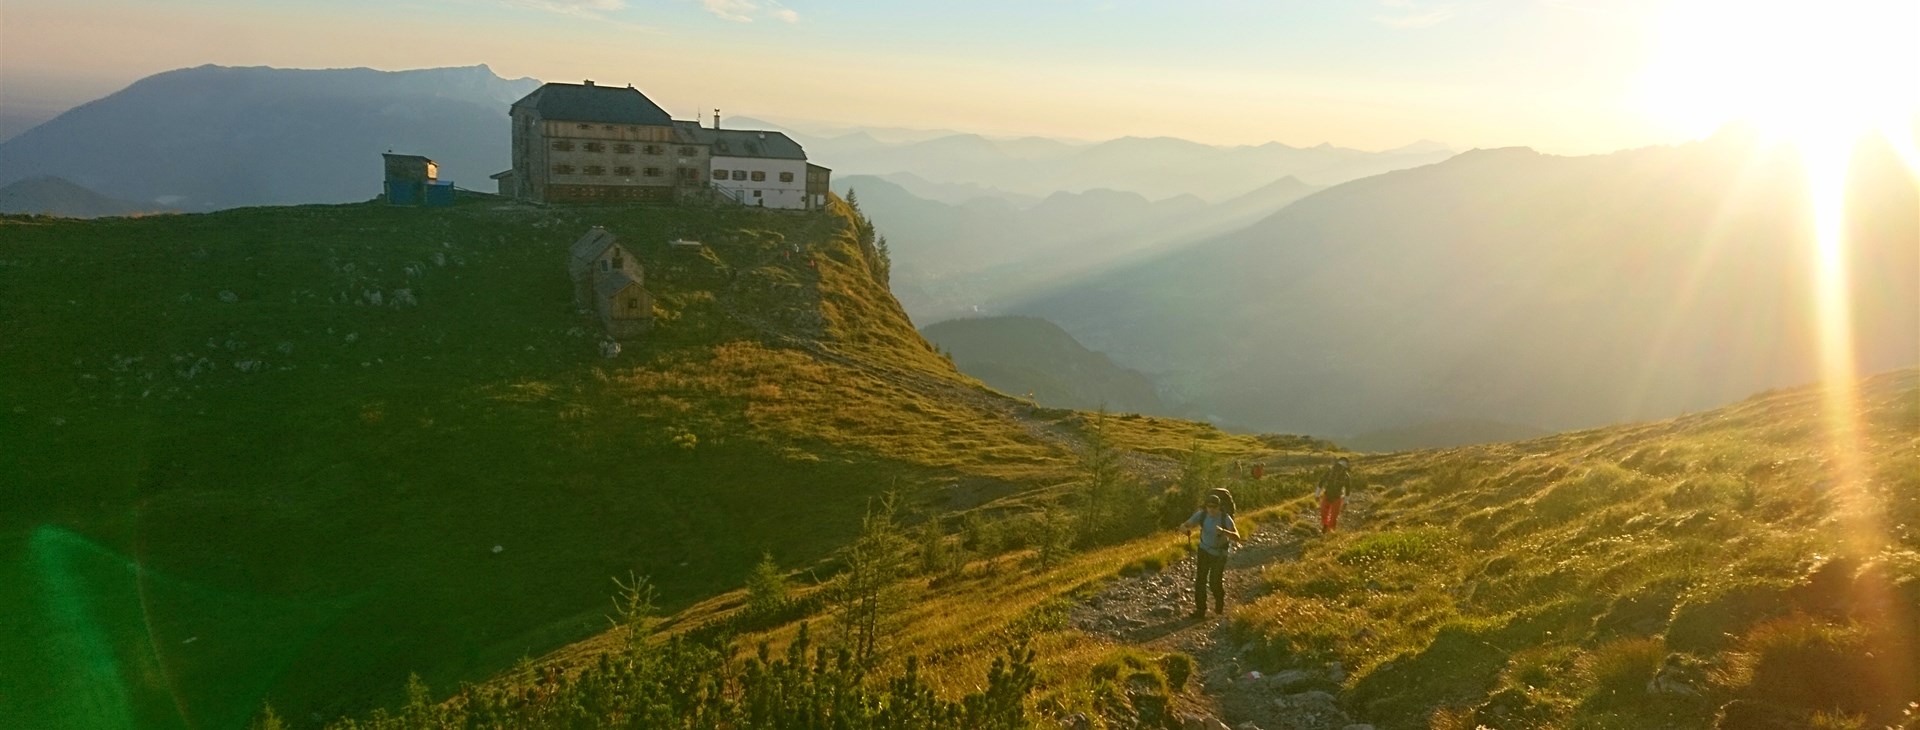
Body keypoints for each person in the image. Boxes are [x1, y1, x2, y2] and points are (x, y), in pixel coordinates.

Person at [1182, 487, 1242, 618]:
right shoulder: (1202, 514)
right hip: (1203, 551)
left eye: (1214, 507)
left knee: (1215, 581)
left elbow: (1237, 536)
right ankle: (1200, 610)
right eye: (1209, 507)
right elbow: (1185, 525)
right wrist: (1185, 529)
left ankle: (1219, 601)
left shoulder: (1225, 518)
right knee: (1200, 581)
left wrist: (1224, 531)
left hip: (1220, 554)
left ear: (1219, 506)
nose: (1211, 509)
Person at [1315, 457, 1353, 534]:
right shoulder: (1346, 476)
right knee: (1333, 516)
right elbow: (1348, 490)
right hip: (1336, 497)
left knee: (1325, 513)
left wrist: (1317, 494)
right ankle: (1329, 529)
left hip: (1330, 495)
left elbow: (1321, 482)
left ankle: (1327, 528)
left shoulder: (1331, 472)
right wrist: (1346, 502)